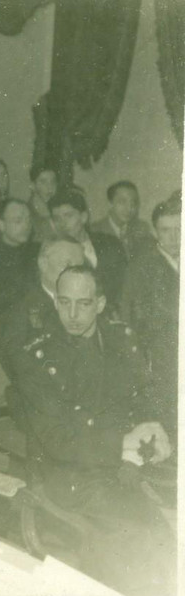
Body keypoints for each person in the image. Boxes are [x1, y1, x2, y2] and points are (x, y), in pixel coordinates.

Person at [11, 266, 173, 596]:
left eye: (83, 304)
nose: (72, 314)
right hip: (71, 475)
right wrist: (123, 444)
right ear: (55, 302)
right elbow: (57, 441)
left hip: (125, 466)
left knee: (170, 524)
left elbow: (144, 396)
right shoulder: (37, 357)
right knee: (141, 535)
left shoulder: (120, 340)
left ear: (100, 304)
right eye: (64, 302)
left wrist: (154, 425)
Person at [119, 197, 180, 427]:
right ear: (155, 231)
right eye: (166, 230)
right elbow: (132, 318)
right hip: (159, 355)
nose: (174, 237)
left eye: (179, 229)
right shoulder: (142, 267)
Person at [0, 237, 85, 379]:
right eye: (67, 265)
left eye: (80, 267)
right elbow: (18, 371)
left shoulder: (91, 307)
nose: (76, 274)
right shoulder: (19, 312)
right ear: (43, 264)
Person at [48, 190, 128, 301]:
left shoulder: (110, 244)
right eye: (57, 218)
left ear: (84, 217)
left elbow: (124, 286)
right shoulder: (51, 254)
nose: (62, 224)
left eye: (68, 216)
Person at [0, 199, 39, 319]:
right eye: (18, 221)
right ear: (1, 225)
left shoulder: (37, 251)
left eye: (28, 220)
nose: (26, 226)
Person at [91, 181, 154, 261]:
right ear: (110, 204)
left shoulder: (142, 228)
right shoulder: (96, 230)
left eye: (133, 203)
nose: (129, 208)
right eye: (122, 202)